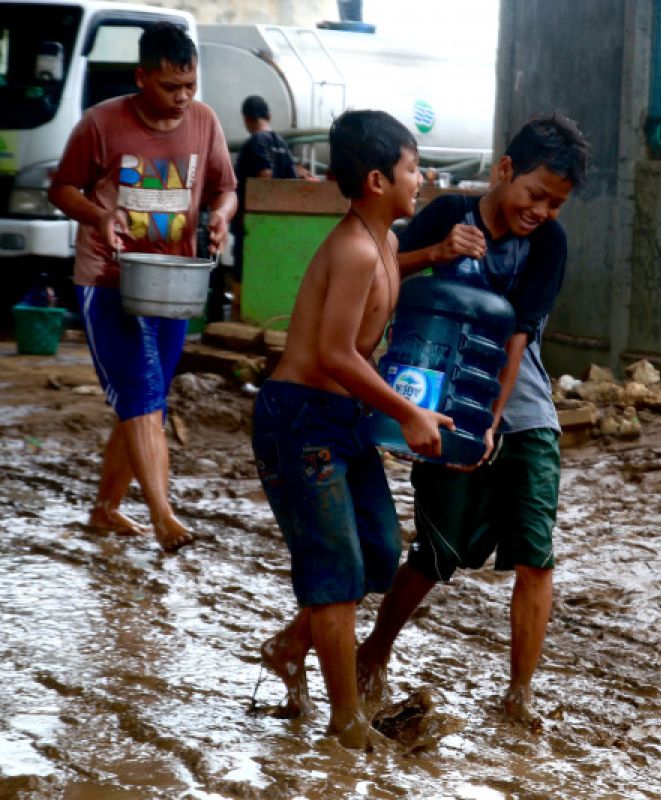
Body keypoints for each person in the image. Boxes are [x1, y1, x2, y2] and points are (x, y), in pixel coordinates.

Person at [356, 112, 590, 727]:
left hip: (524, 408)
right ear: (504, 170)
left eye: (556, 204)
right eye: (535, 195)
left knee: (536, 555)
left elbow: (519, 333)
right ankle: (372, 654)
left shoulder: (548, 244)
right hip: (443, 405)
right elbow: (378, 270)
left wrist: (493, 419)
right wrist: (435, 252)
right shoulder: (445, 214)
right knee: (437, 554)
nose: (541, 211)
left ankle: (518, 697)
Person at [251, 109, 453, 749]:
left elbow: (390, 275)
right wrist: (407, 411)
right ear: (375, 179)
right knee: (335, 569)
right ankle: (345, 721)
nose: (420, 178)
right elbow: (335, 353)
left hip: (343, 420)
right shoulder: (356, 249)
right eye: (412, 168)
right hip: (301, 418)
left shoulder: (386, 243)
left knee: (378, 550)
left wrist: (437, 254)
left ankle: (290, 645)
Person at [48, 22, 237, 552]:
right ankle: (163, 515)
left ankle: (106, 509)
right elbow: (62, 188)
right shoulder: (100, 123)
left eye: (190, 86)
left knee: (145, 397)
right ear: (141, 78)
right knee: (142, 396)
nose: (182, 99)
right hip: (109, 280)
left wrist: (221, 216)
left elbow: (226, 187)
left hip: (174, 284)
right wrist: (99, 216)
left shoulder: (204, 121)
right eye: (170, 87)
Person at [225, 95, 309, 320]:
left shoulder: (255, 143)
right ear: (268, 116)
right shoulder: (282, 143)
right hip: (281, 225)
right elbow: (292, 182)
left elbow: (264, 177)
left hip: (253, 223)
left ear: (247, 119)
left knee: (245, 273)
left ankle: (242, 317)